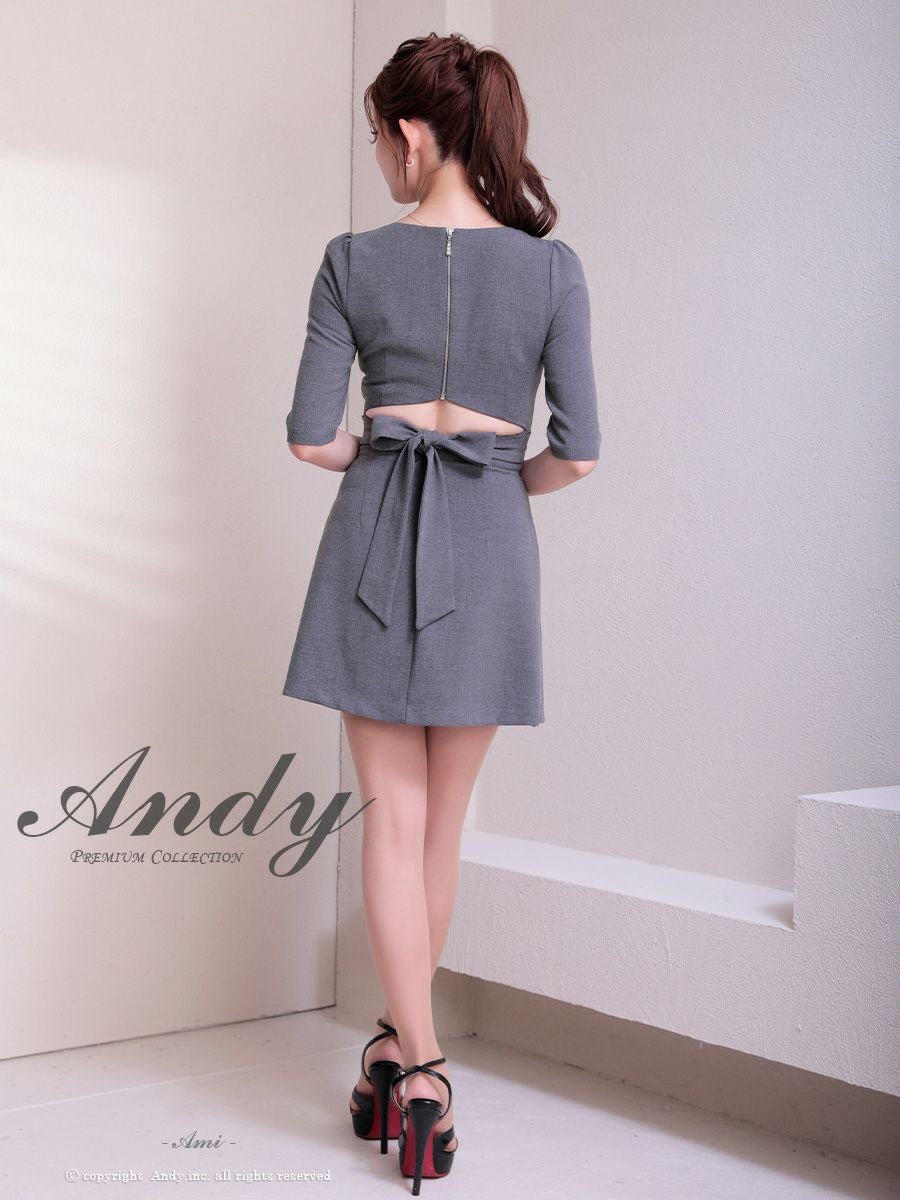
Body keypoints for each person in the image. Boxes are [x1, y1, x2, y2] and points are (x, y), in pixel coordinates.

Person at [282, 31, 601, 1194]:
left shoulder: (350, 261)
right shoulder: (553, 271)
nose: (380, 158)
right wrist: (493, 486)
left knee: (391, 822)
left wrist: (380, 456)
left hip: (372, 537)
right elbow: (579, 452)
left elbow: (312, 437)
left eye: (380, 138)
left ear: (413, 133)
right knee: (442, 830)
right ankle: (407, 1056)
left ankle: (411, 1063)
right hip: (492, 546)